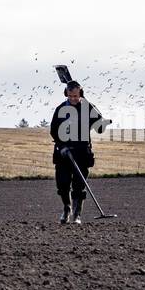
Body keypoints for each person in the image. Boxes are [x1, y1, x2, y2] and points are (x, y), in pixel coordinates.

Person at [50, 80, 110, 224]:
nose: (73, 99)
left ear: (80, 94)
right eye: (70, 96)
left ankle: (77, 215)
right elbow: (53, 130)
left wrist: (99, 117)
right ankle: (67, 208)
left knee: (79, 185)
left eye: (75, 96)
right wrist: (61, 145)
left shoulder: (88, 108)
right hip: (63, 153)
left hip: (82, 153)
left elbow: (100, 129)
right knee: (63, 184)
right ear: (66, 94)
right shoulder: (60, 109)